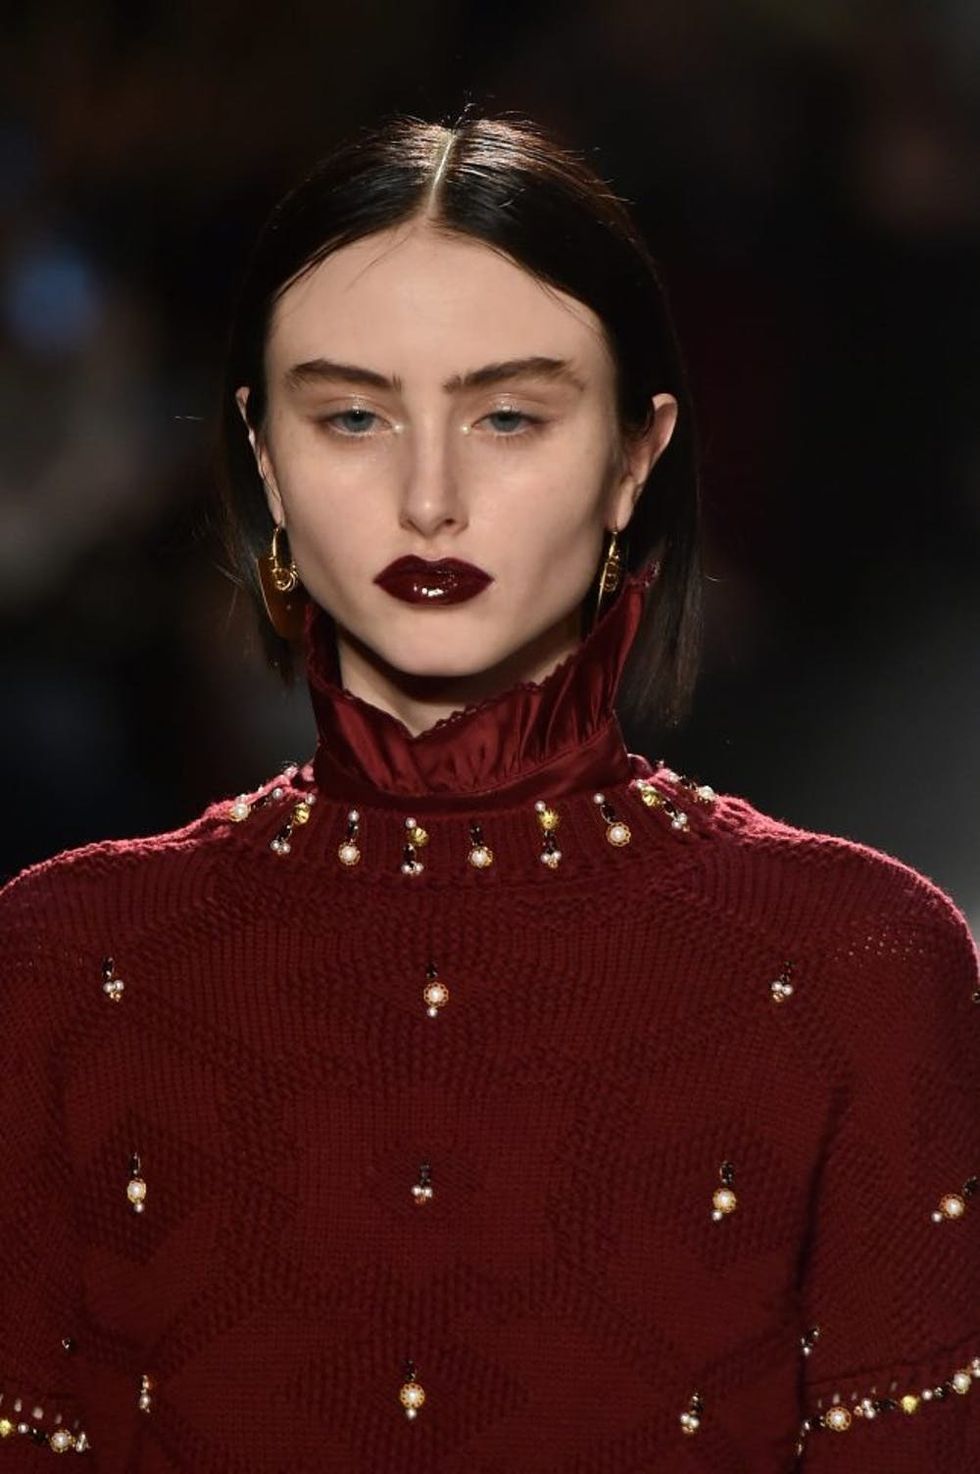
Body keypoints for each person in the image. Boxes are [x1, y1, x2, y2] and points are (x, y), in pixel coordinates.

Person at [0, 112, 976, 1474]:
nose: (429, 496)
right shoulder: (64, 963)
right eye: (351, 415)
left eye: (509, 414)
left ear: (636, 459)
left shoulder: (857, 960)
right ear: (266, 461)